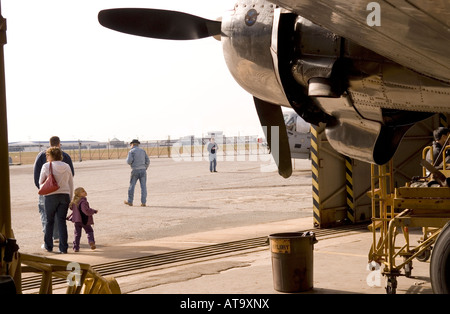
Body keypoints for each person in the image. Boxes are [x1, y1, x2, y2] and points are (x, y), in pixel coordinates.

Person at [33, 136, 74, 246]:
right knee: (61, 218)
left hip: (47, 192)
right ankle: (59, 240)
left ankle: (48, 241)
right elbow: (71, 175)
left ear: (49, 143)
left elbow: (37, 176)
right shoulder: (65, 156)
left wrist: (42, 188)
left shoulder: (42, 155)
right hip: (64, 192)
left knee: (46, 216)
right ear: (59, 143)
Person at [68, 187, 98, 252]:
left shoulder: (74, 202)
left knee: (77, 234)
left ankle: (76, 247)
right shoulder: (83, 201)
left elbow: (71, 208)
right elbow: (85, 210)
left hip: (76, 220)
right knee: (89, 231)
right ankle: (91, 241)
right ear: (79, 194)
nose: (85, 192)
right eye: (83, 191)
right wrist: (93, 211)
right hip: (83, 220)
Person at [124, 139, 150, 207]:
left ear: (132, 144)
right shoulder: (143, 151)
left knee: (132, 186)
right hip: (143, 170)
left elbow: (129, 161)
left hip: (135, 170)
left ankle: (130, 201)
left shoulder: (131, 151)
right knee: (143, 187)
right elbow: (148, 160)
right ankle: (143, 202)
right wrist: (145, 167)